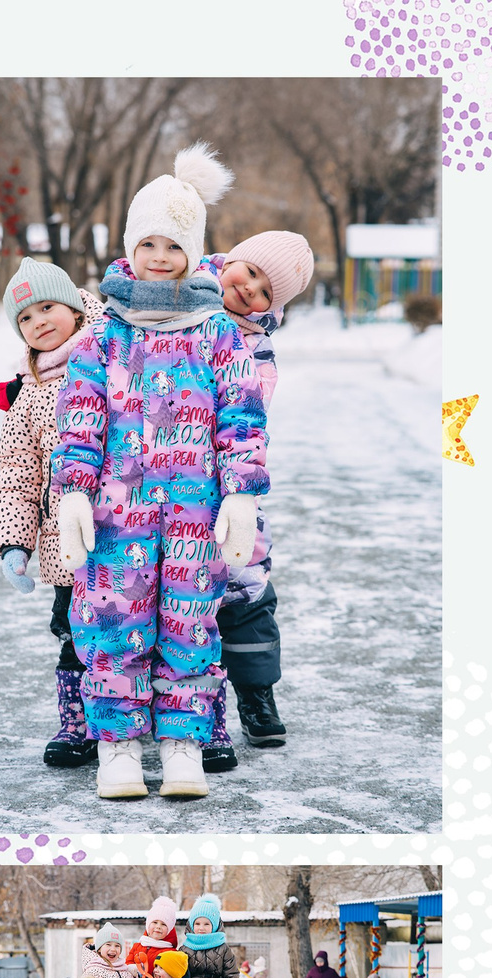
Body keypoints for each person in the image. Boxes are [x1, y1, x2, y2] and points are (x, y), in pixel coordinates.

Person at [54, 144, 267, 801]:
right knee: (112, 622)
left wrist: (241, 496)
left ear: (193, 252)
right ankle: (116, 746)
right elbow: (81, 417)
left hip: (193, 516)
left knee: (190, 627)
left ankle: (181, 746)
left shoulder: (217, 334)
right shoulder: (103, 335)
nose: (159, 257)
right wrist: (73, 495)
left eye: (173, 245)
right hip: (118, 518)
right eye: (148, 243)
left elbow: (243, 417)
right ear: (129, 247)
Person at [0, 258, 110, 768]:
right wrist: (15, 541)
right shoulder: (28, 395)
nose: (38, 321)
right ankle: (76, 723)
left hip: (127, 530)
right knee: (73, 635)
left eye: (47, 307)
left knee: (132, 629)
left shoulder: (113, 358)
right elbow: (19, 473)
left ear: (76, 308)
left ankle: (133, 715)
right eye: (25, 318)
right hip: (66, 545)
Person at [199, 230, 315, 749]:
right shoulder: (173, 299)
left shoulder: (256, 348)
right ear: (230, 261)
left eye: (267, 291)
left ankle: (255, 691)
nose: (250, 289)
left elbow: (252, 411)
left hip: (229, 484)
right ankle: (176, 700)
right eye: (248, 272)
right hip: (154, 478)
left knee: (244, 583)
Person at [175, 894, 247, 978]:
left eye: (206, 924)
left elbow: (232, 974)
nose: (201, 928)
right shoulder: (185, 949)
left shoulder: (223, 948)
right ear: (191, 925)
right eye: (197, 923)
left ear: (214, 926)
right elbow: (179, 974)